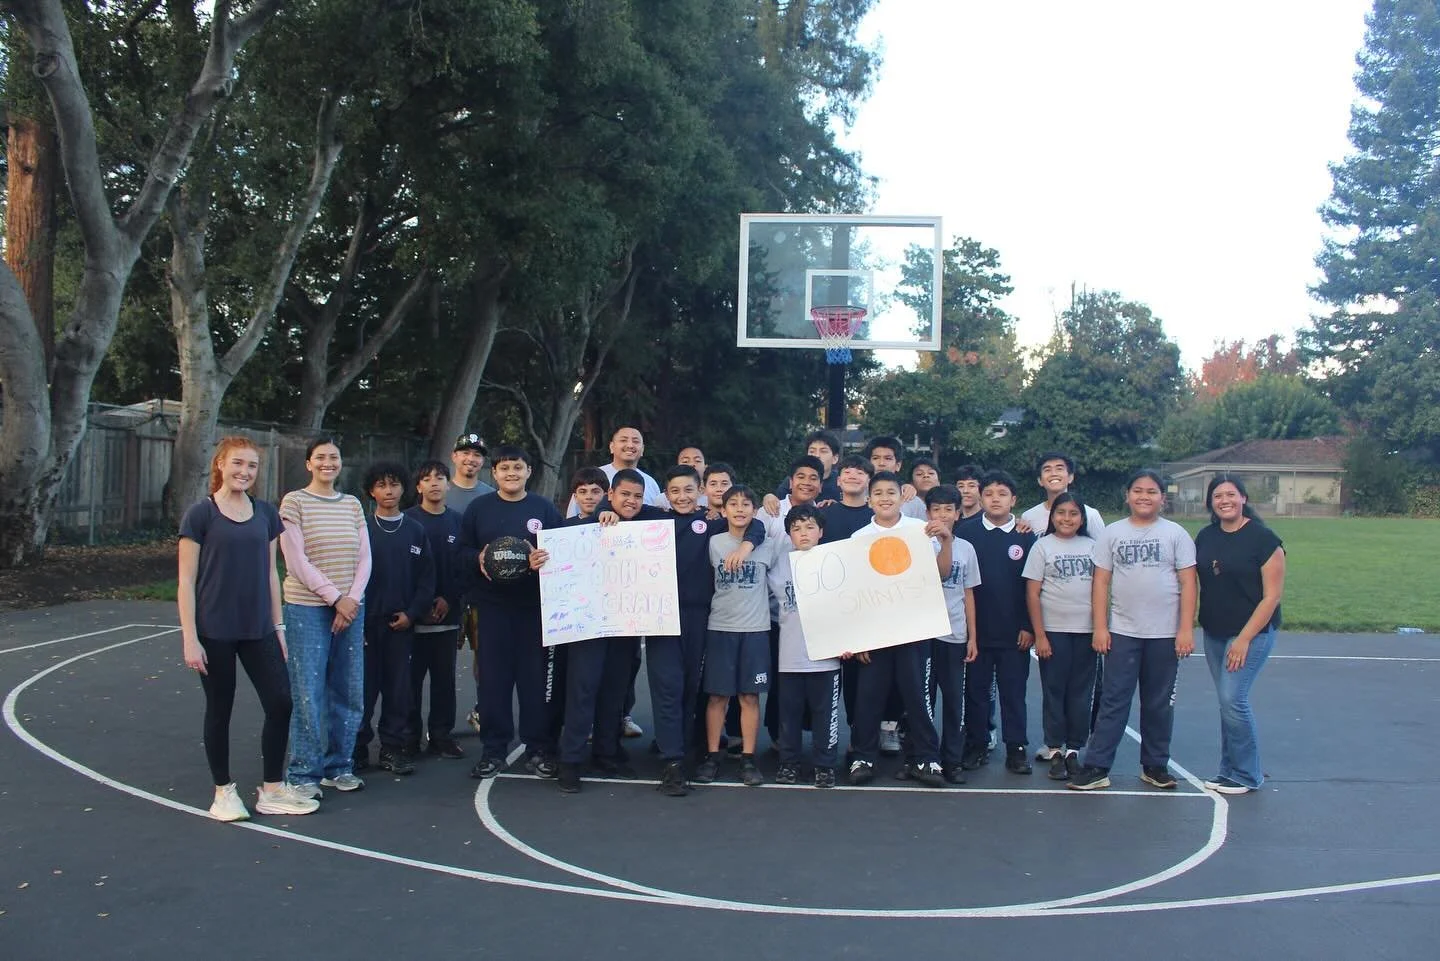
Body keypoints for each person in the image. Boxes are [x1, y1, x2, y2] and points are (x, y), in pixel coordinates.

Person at [178, 436, 319, 820]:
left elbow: (272, 574)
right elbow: (186, 581)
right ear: (220, 465)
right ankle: (223, 792)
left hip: (258, 628)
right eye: (237, 463)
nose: (244, 472)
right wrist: (190, 637)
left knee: (280, 701)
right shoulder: (200, 515)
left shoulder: (265, 514)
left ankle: (272, 788)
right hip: (214, 629)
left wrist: (279, 627)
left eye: (252, 466)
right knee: (220, 707)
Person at [1070, 469, 1197, 792]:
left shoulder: (1176, 534)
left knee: (1158, 703)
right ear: (1127, 495)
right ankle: (1097, 765)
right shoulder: (1113, 534)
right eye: (1138, 491)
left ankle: (1155, 764)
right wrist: (1100, 627)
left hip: (1165, 634)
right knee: (1114, 700)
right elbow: (1100, 582)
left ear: (1162, 498)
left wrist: (1185, 629)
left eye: (1152, 491)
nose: (1144, 496)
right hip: (1124, 631)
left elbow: (1188, 582)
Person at [458, 445, 564, 780]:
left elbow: (562, 551)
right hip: (491, 607)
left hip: (533, 609)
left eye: (517, 467)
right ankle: (493, 750)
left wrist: (545, 559)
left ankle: (538, 748)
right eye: (504, 468)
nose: (511, 474)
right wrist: (478, 559)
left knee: (534, 683)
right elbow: (459, 552)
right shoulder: (479, 509)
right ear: (495, 473)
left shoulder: (543, 508)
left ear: (529, 471)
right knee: (493, 682)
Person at [279, 437, 371, 798]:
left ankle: (339, 766)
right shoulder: (294, 502)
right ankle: (303, 772)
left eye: (334, 457)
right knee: (308, 691)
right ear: (308, 463)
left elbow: (365, 558)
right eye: (320, 458)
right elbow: (297, 561)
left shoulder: (351, 504)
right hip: (308, 608)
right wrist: (334, 598)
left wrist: (351, 599)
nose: (327, 463)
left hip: (351, 608)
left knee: (348, 690)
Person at [845, 471, 946, 787]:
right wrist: (857, 637)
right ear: (870, 498)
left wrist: (946, 539)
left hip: (914, 631)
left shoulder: (920, 530)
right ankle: (863, 757)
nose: (885, 498)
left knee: (917, 697)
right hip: (875, 634)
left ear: (902, 496)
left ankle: (927, 759)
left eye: (891, 492)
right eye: (878, 493)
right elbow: (855, 591)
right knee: (868, 697)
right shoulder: (858, 537)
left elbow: (941, 574)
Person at [555, 470, 649, 789]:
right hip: (587, 625)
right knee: (582, 690)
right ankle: (570, 760)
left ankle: (607, 752)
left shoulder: (648, 526)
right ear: (611, 495)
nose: (631, 501)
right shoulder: (578, 528)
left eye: (638, 496)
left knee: (615, 691)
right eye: (625, 495)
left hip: (625, 623)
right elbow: (557, 563)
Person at [1194, 474, 1286, 795]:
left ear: (1243, 498)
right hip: (1215, 631)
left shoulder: (1264, 540)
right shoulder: (1205, 537)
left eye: (1231, 494)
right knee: (1225, 702)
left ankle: (1248, 774)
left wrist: (1245, 639)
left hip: (1251, 632)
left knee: (1234, 699)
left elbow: (1271, 596)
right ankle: (1228, 770)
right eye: (1218, 496)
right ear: (1211, 502)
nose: (1224, 500)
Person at [355, 461, 434, 777]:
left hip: (401, 625)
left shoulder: (416, 530)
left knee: (398, 689)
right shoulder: (361, 529)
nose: (388, 491)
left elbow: (427, 578)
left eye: (394, 484)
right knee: (362, 689)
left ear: (404, 488)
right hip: (364, 624)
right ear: (371, 491)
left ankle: (392, 748)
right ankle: (356, 748)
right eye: (381, 485)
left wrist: (412, 613)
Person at [956, 470, 1036, 774]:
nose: (995, 499)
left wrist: (1028, 625)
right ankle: (976, 745)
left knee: (1013, 693)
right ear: (980, 498)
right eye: (989, 494)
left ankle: (1016, 747)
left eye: (1002, 494)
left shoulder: (1026, 536)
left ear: (1013, 499)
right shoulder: (967, 532)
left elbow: (1032, 586)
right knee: (976, 692)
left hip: (1015, 633)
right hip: (977, 632)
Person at [694, 485, 774, 787]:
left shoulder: (766, 543)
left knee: (749, 696)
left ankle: (749, 758)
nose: (739, 509)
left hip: (755, 630)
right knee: (717, 696)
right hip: (720, 628)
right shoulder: (713, 543)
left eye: (746, 504)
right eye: (733, 504)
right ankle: (713, 755)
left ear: (754, 511)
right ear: (723, 510)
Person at [1022, 491, 1099, 780]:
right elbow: (1032, 592)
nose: (1067, 519)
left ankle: (1074, 750)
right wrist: (1039, 635)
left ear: (1082, 518)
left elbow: (1101, 589)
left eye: (1073, 514)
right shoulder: (1043, 547)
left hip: (1086, 632)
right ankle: (1054, 749)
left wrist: (1100, 629)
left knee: (1081, 693)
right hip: (1053, 631)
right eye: (1061, 513)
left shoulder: (1093, 546)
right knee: (1054, 692)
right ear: (1052, 517)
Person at [768, 504, 842, 788]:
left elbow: (848, 608)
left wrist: (845, 642)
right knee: (789, 714)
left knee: (825, 714)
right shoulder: (779, 566)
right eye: (796, 529)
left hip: (826, 656)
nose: (803, 533)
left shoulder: (834, 562)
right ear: (789, 534)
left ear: (821, 531)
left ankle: (824, 765)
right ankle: (789, 763)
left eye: (810, 527)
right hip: (790, 654)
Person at [405, 460, 466, 760]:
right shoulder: (407, 521)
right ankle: (408, 737)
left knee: (444, 680)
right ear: (418, 487)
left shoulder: (457, 522)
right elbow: (404, 571)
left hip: (448, 615)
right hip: (413, 619)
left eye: (440, 478)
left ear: (448, 484)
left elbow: (461, 568)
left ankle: (441, 735)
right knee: (410, 681)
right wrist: (420, 606)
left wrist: (448, 600)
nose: (434, 483)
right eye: (427, 479)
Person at [923, 485, 981, 783]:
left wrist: (972, 636)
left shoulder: (967, 549)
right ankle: (924, 758)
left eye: (949, 509)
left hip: (955, 635)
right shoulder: (917, 543)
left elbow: (968, 594)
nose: (943, 514)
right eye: (937, 509)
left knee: (954, 701)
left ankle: (953, 760)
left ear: (958, 514)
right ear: (927, 513)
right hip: (923, 635)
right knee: (923, 701)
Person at [565, 425, 666, 516]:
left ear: (642, 449)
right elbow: (574, 516)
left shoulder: (650, 483)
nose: (630, 445)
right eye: (623, 440)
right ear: (611, 447)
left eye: (635, 441)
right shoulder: (594, 476)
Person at [1019, 452, 1105, 543]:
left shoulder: (1090, 514)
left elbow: (1103, 549)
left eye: (1059, 469)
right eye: (1047, 470)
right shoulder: (1029, 517)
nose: (1053, 474)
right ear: (1040, 481)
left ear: (1070, 477)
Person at [763, 430, 843, 515]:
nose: (817, 456)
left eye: (823, 451)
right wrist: (768, 497)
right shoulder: (795, 480)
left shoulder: (842, 481)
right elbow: (777, 500)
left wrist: (838, 507)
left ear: (835, 458)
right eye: (812, 451)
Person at [447, 432, 496, 514]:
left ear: (483, 461)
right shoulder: (439, 492)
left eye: (477, 455)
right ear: (454, 456)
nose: (471, 459)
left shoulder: (492, 496)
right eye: (465, 453)